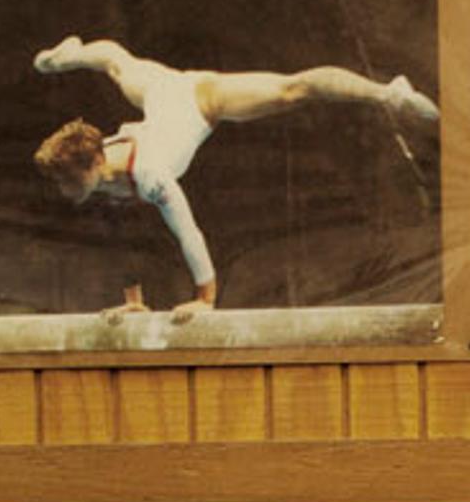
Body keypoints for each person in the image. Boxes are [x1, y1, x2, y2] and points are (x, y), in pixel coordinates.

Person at [31, 35, 440, 313]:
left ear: (95, 164)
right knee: (115, 62)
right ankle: (63, 57)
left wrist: (205, 299)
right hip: (159, 93)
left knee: (292, 91)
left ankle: (388, 92)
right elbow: (118, 238)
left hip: (200, 101)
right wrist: (134, 300)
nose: (63, 190)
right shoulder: (102, 176)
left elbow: (188, 232)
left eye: (67, 180)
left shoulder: (152, 175)